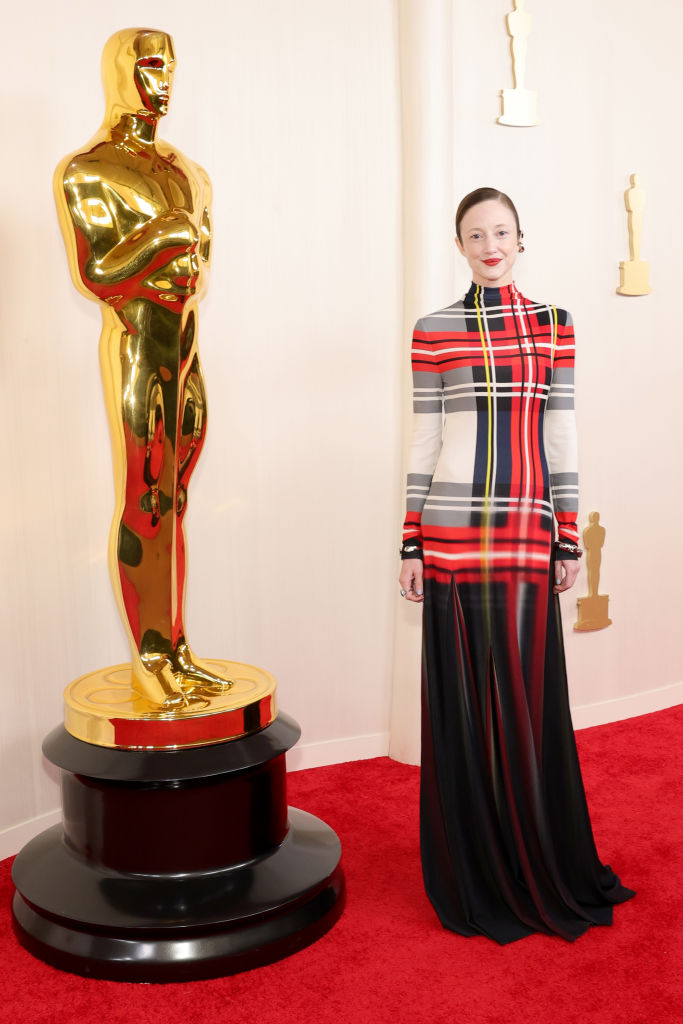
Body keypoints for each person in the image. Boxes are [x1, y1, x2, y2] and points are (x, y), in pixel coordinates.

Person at [399, 187, 634, 943]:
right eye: (474, 234)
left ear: (520, 239)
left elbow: (559, 435)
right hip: (450, 535)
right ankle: (475, 871)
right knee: (465, 712)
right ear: (458, 245)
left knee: (527, 706)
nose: (488, 244)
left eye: (500, 231)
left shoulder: (554, 324)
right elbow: (425, 442)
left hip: (526, 531)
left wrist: (567, 532)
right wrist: (408, 539)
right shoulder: (432, 330)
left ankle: (539, 858)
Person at [55, 29, 233, 709]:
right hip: (137, 346)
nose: (163, 80)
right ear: (120, 72)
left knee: (177, 500)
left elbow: (201, 267)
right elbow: (98, 274)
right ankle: (150, 657)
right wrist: (165, 234)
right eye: (150, 64)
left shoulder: (189, 171)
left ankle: (176, 648)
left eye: (171, 66)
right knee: (147, 503)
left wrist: (182, 244)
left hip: (186, 350)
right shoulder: (88, 169)